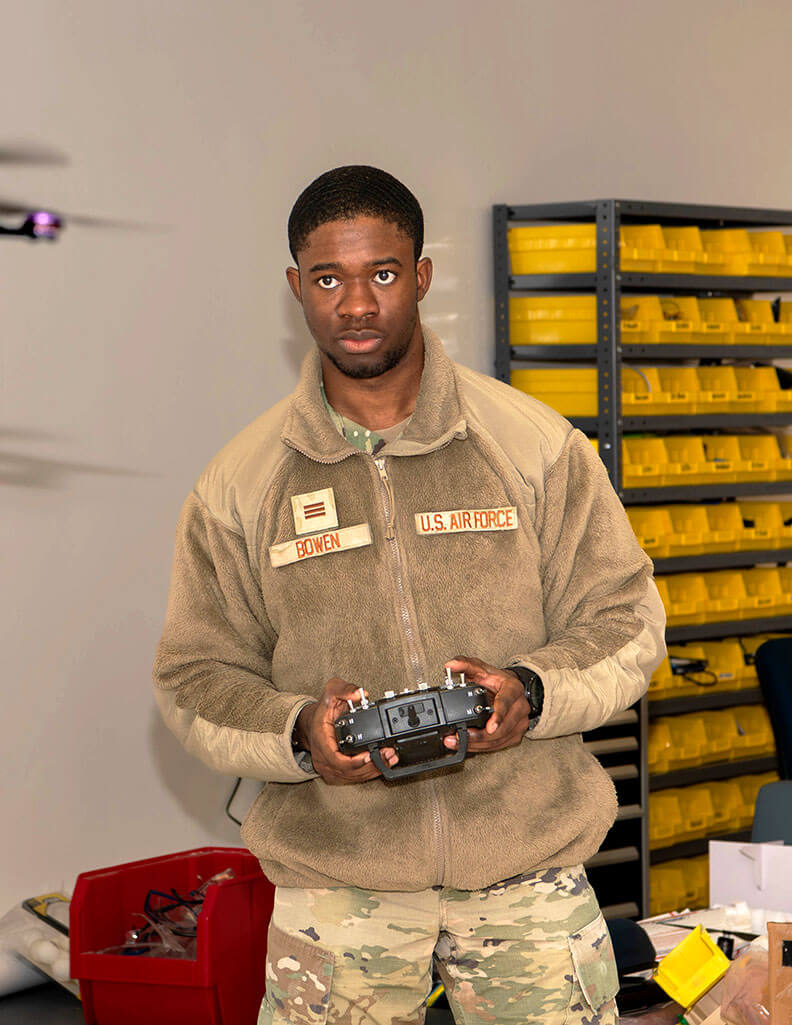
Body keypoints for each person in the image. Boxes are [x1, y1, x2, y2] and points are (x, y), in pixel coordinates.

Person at [153, 166, 666, 1025]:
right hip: (337, 887)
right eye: (328, 279)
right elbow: (194, 676)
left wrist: (530, 693)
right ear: (297, 289)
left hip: (525, 878)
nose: (356, 304)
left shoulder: (533, 446)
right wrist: (302, 734)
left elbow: (627, 621)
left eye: (382, 274)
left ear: (421, 276)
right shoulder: (238, 485)